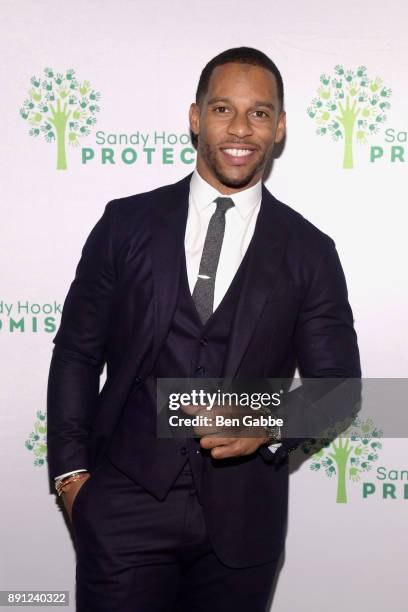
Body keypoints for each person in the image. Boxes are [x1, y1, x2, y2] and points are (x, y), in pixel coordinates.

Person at [47, 47, 361, 612]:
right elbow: (75, 353)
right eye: (223, 109)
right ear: (196, 118)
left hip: (243, 525)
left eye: (260, 113)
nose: (241, 128)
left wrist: (265, 422)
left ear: (280, 127)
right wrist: (72, 478)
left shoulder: (310, 251)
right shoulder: (126, 224)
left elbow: (339, 385)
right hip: (123, 507)